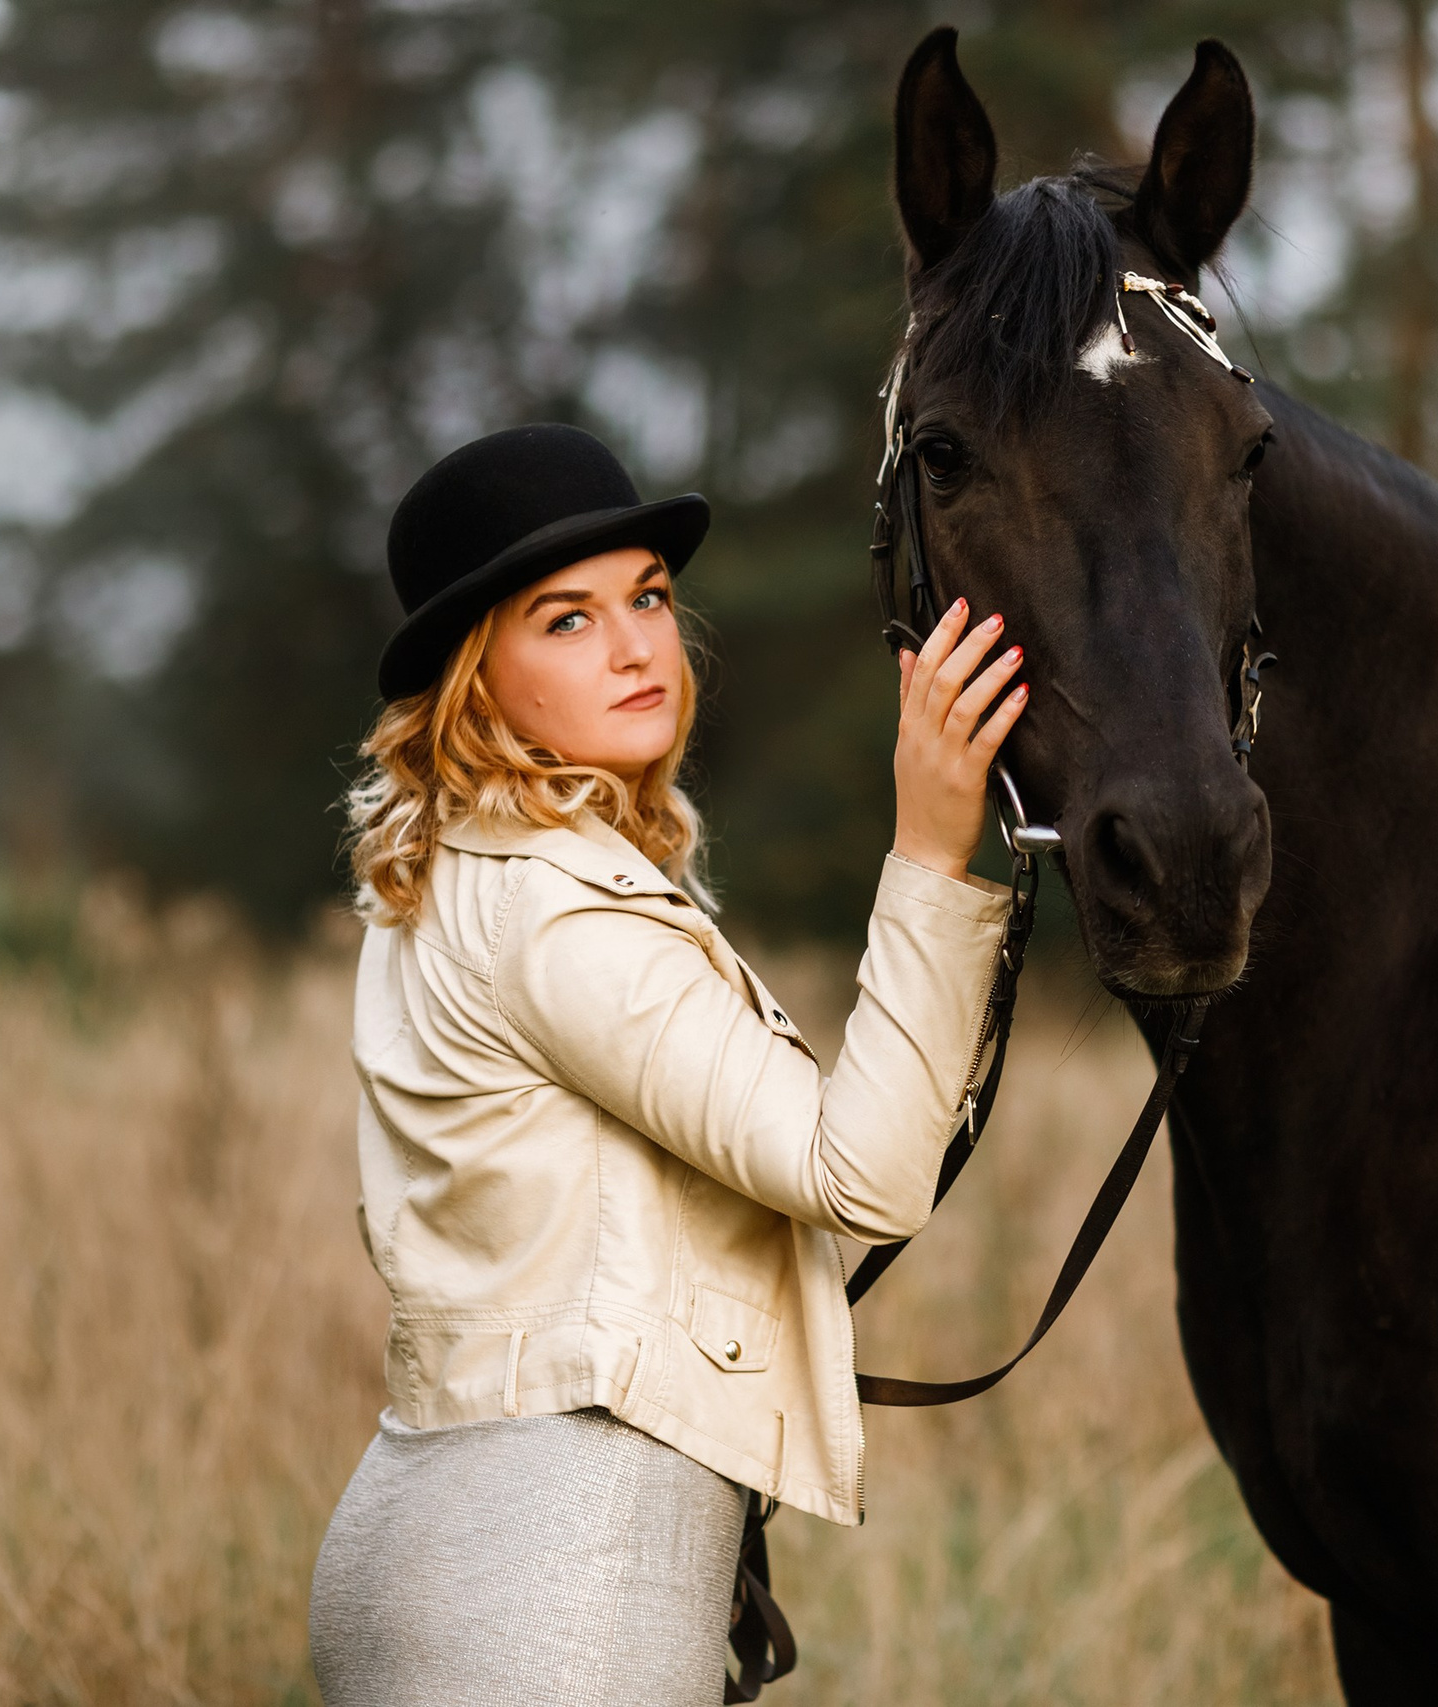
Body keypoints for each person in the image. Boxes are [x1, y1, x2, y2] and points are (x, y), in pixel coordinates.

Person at [309, 423, 1028, 1705]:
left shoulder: (449, 879)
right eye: (567, 620)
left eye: (645, 597)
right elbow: (858, 1175)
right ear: (479, 677)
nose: (638, 644)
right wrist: (930, 850)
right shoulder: (559, 913)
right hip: (555, 1571)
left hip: (443, 1535)